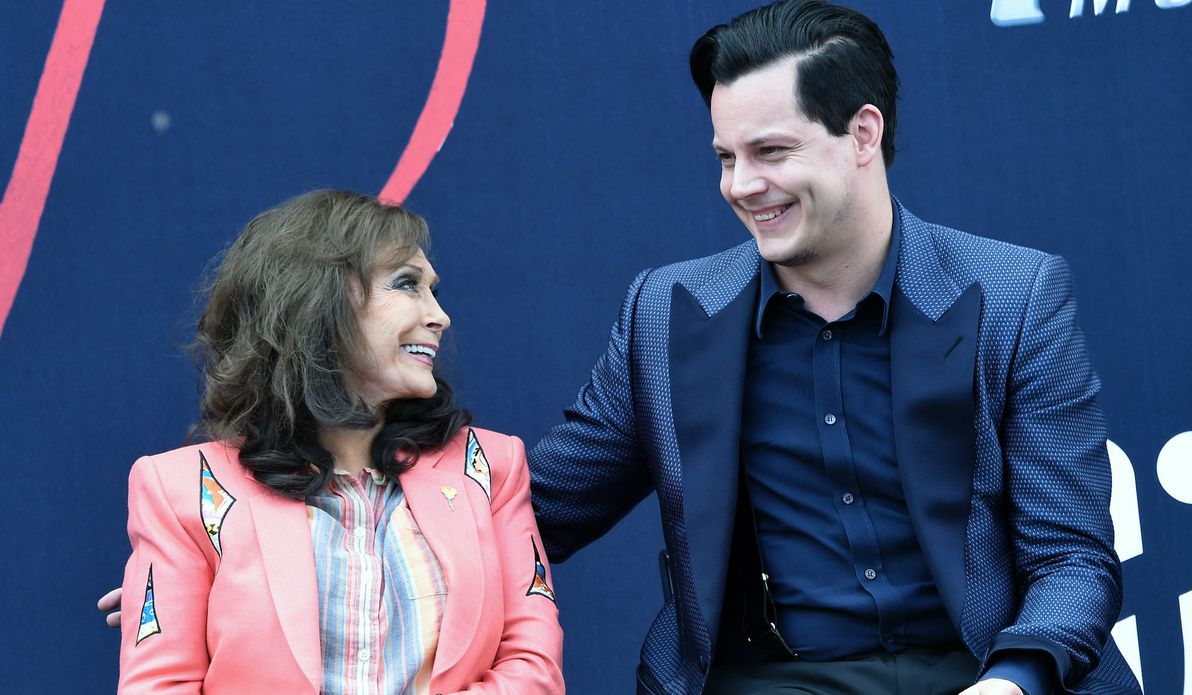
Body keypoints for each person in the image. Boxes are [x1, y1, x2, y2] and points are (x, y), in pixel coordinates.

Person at [524, 2, 1139, 694]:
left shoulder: (1015, 297)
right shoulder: (665, 315)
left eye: (772, 152)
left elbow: (1071, 557)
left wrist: (1012, 681)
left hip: (981, 672)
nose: (741, 185)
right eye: (726, 157)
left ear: (862, 133)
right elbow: (533, 511)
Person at [113, 190, 564, 693]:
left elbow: (533, 671)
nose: (440, 316)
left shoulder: (490, 467)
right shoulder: (180, 489)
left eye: (433, 290)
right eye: (407, 285)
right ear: (316, 302)